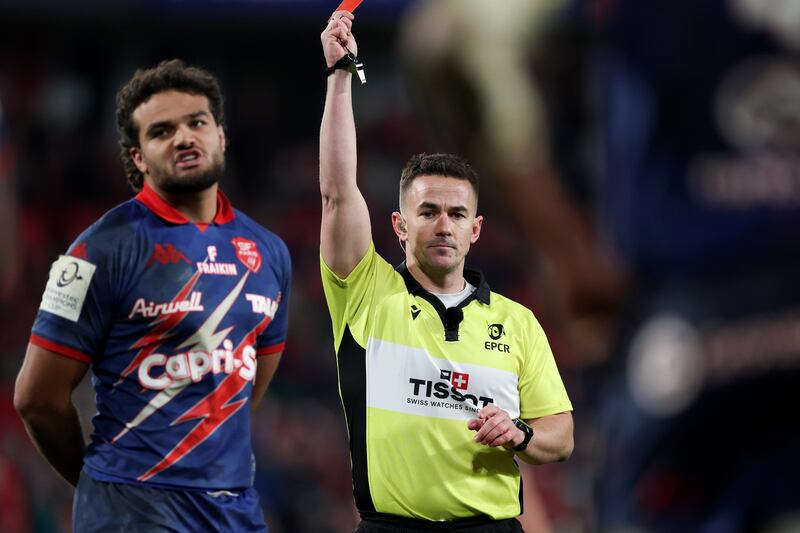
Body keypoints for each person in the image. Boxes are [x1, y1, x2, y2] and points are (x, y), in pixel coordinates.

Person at [319, 11, 574, 531]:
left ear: (475, 229)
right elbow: (339, 192)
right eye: (428, 212)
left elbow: (561, 436)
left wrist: (521, 434)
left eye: (457, 214)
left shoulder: (519, 322)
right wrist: (341, 76)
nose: (443, 225)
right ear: (399, 225)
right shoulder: (365, 294)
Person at [13, 59, 291, 532]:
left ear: (221, 136)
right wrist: (101, 484)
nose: (184, 138)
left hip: (234, 513)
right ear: (138, 157)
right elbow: (36, 398)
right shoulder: (95, 250)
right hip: (131, 513)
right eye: (162, 131)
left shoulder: (269, 253)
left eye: (197, 123)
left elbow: (244, 395)